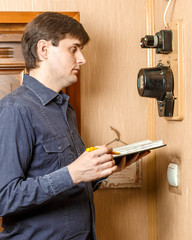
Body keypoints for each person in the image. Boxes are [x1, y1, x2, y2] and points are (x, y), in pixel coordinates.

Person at [0, 12, 149, 240]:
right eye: (74, 49)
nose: (82, 59)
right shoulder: (15, 109)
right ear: (44, 49)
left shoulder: (65, 110)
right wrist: (73, 173)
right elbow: (5, 198)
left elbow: (68, 181)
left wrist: (102, 170)